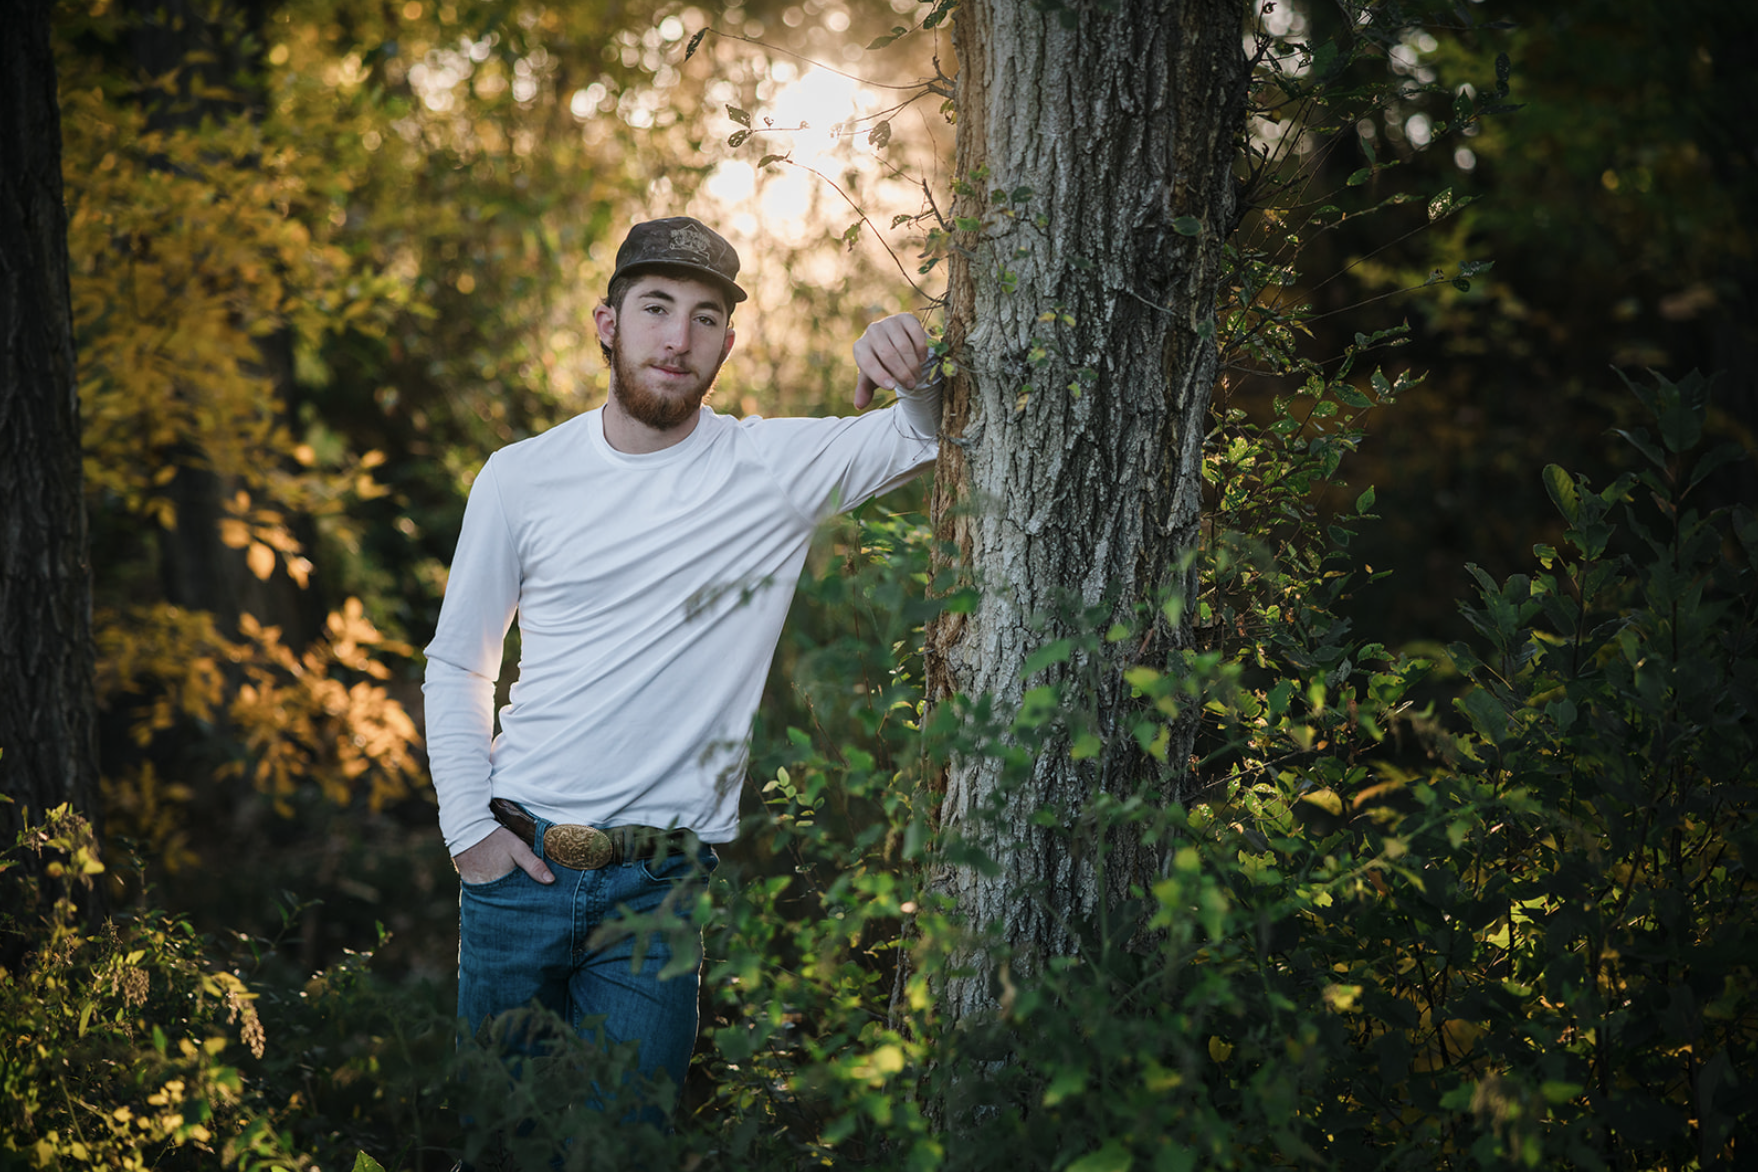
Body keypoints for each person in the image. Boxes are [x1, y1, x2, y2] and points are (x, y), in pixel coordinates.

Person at [422, 216, 939, 1136]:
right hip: (518, 869)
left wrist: (910, 361)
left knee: (624, 1149)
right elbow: (461, 660)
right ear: (606, 322)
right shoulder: (520, 477)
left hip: (658, 890)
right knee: (498, 1146)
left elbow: (918, 436)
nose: (678, 337)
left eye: (705, 318)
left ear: (728, 343)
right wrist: (470, 830)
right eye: (656, 308)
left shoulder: (769, 469)